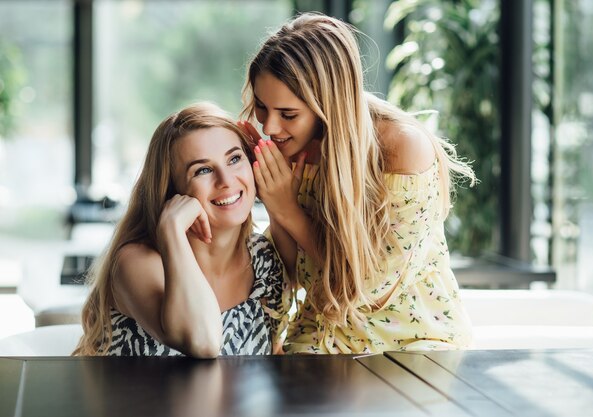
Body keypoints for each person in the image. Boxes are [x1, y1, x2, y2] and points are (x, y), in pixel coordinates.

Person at [239, 12, 476, 354]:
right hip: (317, 341)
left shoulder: (401, 149)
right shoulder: (291, 146)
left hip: (411, 345)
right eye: (262, 107)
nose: (270, 128)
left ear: (328, 106)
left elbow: (371, 287)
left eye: (288, 114)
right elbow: (287, 270)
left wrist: (287, 210)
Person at [73, 102, 291, 357]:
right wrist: (172, 231)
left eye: (234, 159)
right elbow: (204, 342)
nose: (226, 180)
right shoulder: (135, 262)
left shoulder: (262, 258)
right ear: (172, 190)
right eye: (203, 170)